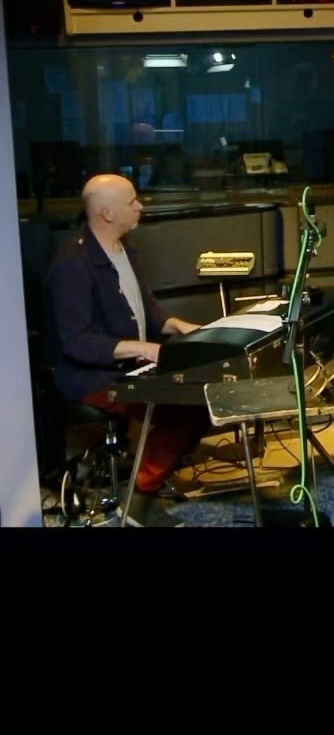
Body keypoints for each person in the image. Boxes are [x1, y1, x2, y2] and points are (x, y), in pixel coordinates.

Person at [45, 173, 208, 514]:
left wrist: (180, 326)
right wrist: (144, 349)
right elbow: (77, 342)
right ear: (107, 213)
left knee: (204, 394)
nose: (140, 206)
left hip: (131, 365)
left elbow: (147, 311)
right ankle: (140, 497)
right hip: (92, 378)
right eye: (131, 201)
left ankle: (149, 476)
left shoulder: (126, 250)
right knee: (184, 408)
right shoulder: (72, 265)